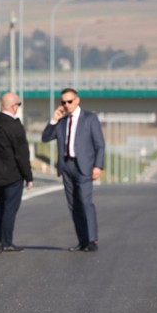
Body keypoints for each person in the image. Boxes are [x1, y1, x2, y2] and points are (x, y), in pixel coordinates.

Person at [41, 87, 105, 252]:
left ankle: (92, 240)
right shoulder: (61, 121)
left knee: (85, 202)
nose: (67, 105)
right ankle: (82, 241)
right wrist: (54, 119)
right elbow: (45, 137)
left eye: (70, 101)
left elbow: (100, 145)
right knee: (73, 205)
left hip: (84, 166)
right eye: (63, 102)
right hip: (67, 166)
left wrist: (98, 166)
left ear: (77, 100)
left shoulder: (90, 118)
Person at [0, 92, 34, 253]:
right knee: (10, 209)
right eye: (18, 104)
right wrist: (28, 177)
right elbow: (22, 154)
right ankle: (6, 242)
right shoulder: (14, 126)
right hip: (13, 175)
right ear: (13, 106)